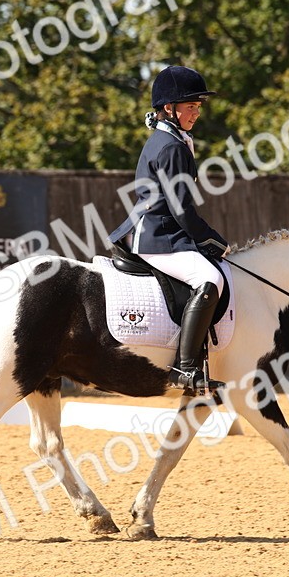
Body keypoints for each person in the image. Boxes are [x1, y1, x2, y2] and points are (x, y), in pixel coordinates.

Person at [109, 65, 230, 396]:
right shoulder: (171, 146)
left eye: (198, 106)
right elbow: (181, 210)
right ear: (168, 108)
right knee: (211, 279)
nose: (196, 112)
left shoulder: (172, 138)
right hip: (158, 236)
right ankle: (185, 368)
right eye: (190, 106)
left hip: (160, 230)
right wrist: (212, 240)